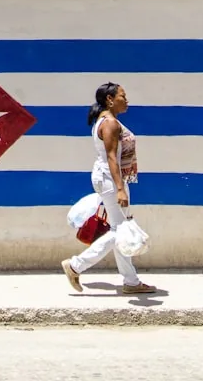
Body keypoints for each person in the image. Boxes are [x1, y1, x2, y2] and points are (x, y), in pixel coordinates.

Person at [61, 82, 156, 295]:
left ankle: (131, 281)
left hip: (107, 177)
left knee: (120, 229)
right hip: (111, 179)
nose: (126, 100)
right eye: (123, 96)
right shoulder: (110, 123)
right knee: (119, 230)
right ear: (110, 100)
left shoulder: (104, 121)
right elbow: (112, 157)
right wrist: (120, 188)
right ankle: (75, 265)